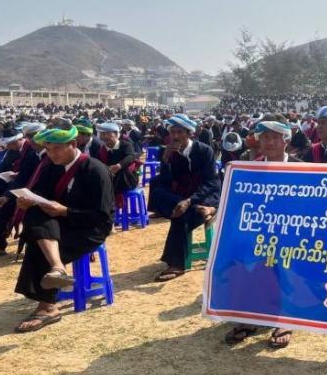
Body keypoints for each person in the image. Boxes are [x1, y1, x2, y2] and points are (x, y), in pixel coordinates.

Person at [12, 125, 114, 333]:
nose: (52, 154)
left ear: (73, 144)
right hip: (59, 224)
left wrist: (66, 211)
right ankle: (57, 268)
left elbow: (102, 216)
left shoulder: (95, 170)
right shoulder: (52, 167)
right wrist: (28, 202)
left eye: (57, 148)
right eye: (48, 149)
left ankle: (47, 306)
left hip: (89, 228)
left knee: (38, 243)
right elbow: (42, 195)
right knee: (35, 218)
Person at [224, 115, 300, 348]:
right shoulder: (250, 168)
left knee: (286, 265)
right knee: (246, 263)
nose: (270, 142)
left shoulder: (302, 168)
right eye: (265, 137)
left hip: (291, 234)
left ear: (286, 140)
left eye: (275, 137)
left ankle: (285, 319)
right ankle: (250, 318)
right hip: (258, 234)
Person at [149, 114, 220, 282]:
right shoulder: (168, 152)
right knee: (157, 188)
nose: (175, 136)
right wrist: (165, 160)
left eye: (179, 132)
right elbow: (166, 181)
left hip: (204, 194)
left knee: (181, 217)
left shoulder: (204, 151)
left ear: (189, 133)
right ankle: (204, 210)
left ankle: (177, 264)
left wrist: (189, 201)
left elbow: (210, 182)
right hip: (181, 196)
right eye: (172, 132)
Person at [0, 122, 48, 259]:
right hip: (27, 190)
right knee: (2, 203)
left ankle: (38, 250)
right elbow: (21, 177)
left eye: (34, 137)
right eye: (30, 137)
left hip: (43, 195)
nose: (32, 141)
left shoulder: (43, 154)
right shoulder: (30, 154)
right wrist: (6, 195)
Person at [92, 122, 140, 210]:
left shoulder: (125, 145)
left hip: (127, 178)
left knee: (119, 175)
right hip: (109, 178)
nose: (104, 137)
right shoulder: (102, 149)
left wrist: (118, 166)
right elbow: (97, 163)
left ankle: (110, 206)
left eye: (107, 134)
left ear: (117, 134)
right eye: (102, 134)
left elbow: (131, 157)